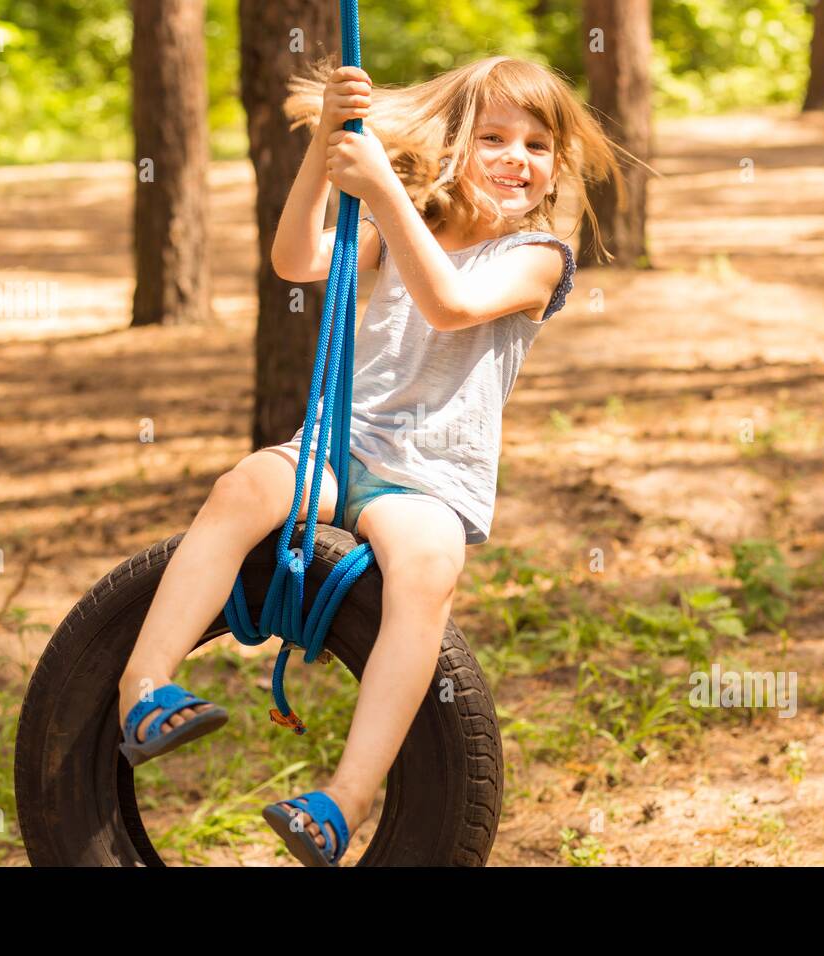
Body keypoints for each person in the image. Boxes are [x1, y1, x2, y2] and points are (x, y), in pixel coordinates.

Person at [117, 53, 638, 866]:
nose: (516, 157)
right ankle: (143, 689)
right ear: (456, 144)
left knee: (426, 568)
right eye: (494, 137)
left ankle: (342, 802)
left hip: (424, 476)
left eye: (537, 146)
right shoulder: (403, 229)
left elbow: (451, 304)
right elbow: (294, 260)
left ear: (556, 170)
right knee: (246, 485)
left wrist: (384, 193)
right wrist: (326, 141)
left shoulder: (538, 257)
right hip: (338, 444)